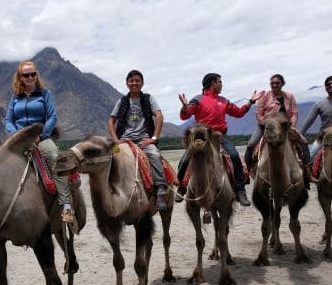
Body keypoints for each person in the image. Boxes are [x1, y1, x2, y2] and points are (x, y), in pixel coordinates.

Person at [176, 73, 262, 206]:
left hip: (220, 136)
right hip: (202, 137)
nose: (222, 84)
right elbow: (184, 115)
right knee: (185, 159)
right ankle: (181, 188)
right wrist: (185, 107)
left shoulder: (223, 100)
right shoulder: (198, 99)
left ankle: (240, 190)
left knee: (234, 155)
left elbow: (238, 112)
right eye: (220, 82)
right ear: (212, 83)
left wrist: (251, 102)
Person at [4, 60, 74, 222]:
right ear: (20, 77)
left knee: (53, 158)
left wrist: (41, 136)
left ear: (37, 75)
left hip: (41, 137)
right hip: (19, 138)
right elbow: (8, 119)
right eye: (26, 75)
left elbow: (52, 117)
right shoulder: (15, 97)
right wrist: (17, 135)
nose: (30, 77)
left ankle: (66, 206)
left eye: (33, 74)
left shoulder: (45, 94)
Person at [107, 69, 169, 211]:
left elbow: (159, 116)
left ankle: (160, 189)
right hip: (124, 141)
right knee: (110, 157)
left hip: (143, 140)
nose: (134, 83)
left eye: (137, 80)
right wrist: (116, 140)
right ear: (127, 83)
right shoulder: (122, 101)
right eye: (131, 80)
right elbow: (111, 121)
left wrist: (154, 138)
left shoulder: (148, 99)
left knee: (154, 155)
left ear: (142, 83)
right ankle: (110, 189)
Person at [244, 74, 313, 188]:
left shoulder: (289, 96)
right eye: (272, 83)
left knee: (304, 142)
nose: (274, 85)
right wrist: (264, 124)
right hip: (267, 126)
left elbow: (294, 112)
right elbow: (259, 113)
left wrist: (292, 125)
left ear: (282, 84)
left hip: (285, 127)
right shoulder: (264, 96)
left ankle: (307, 173)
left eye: (277, 83)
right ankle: (245, 174)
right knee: (251, 144)